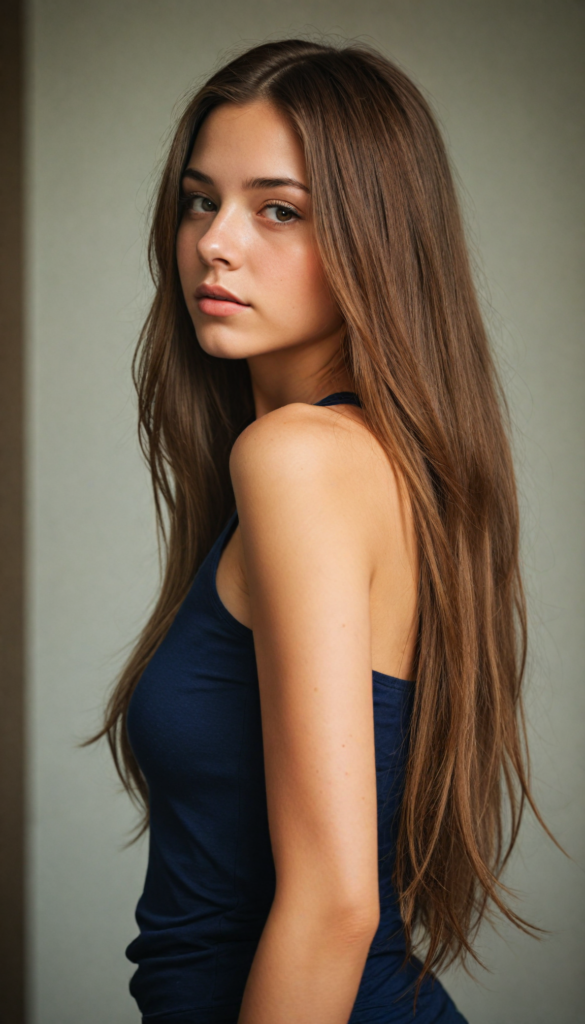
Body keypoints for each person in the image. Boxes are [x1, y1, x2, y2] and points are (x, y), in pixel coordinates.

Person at [90, 38, 545, 1024]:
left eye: (279, 210)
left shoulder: (299, 458)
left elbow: (337, 908)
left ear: (375, 241)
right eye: (202, 199)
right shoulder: (374, 461)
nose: (216, 242)